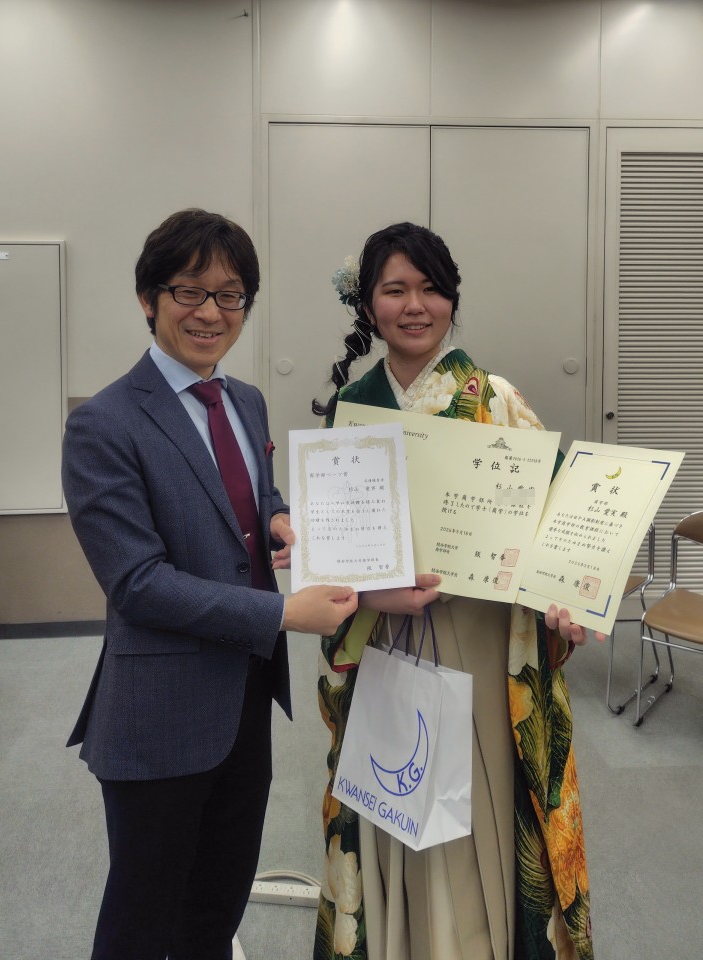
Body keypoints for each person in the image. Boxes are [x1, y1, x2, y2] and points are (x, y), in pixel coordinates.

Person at [62, 208, 357, 960]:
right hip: (159, 710)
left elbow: (251, 497)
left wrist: (279, 516)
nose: (210, 313)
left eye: (230, 296)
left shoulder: (245, 400)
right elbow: (138, 583)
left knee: (216, 907)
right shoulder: (104, 423)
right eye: (189, 291)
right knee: (140, 919)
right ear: (148, 298)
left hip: (245, 697)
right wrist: (282, 614)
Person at [312, 222, 601, 960]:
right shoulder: (354, 404)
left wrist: (567, 595)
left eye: (431, 289)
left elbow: (557, 522)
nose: (415, 306)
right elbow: (336, 546)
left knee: (477, 798)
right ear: (367, 305)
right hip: (386, 632)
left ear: (452, 299)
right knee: (393, 788)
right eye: (395, 290)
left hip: (482, 636)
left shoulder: (497, 400)